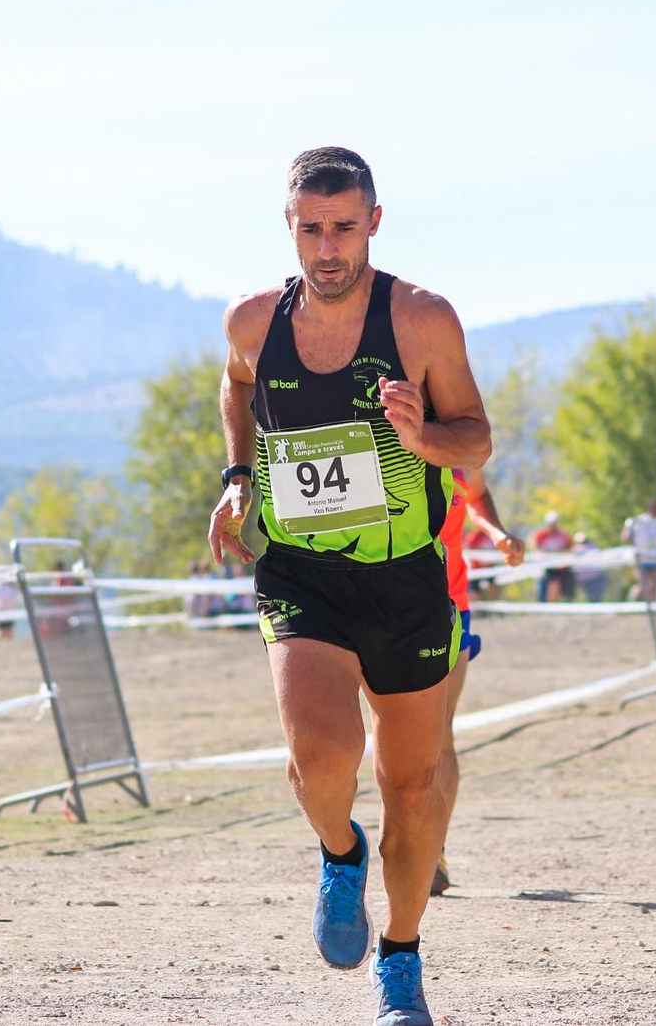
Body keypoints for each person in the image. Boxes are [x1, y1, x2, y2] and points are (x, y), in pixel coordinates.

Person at [206, 147, 492, 1026]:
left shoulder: (422, 320)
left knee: (411, 787)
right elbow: (237, 388)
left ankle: (400, 961)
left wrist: (425, 438)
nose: (327, 248)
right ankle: (339, 851)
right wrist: (238, 478)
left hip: (406, 575)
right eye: (310, 229)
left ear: (373, 221)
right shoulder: (254, 321)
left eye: (343, 227)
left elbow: (476, 441)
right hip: (303, 571)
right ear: (288, 227)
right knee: (320, 758)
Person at [431, 465, 522, 897]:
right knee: (398, 735)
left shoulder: (464, 446)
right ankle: (409, 837)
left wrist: (496, 533)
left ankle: (434, 849)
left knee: (439, 733)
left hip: (452, 605)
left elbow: (478, 496)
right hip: (391, 605)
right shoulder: (390, 429)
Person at [623, 499, 656, 603]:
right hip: (641, 560)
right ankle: (635, 597)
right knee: (644, 586)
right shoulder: (639, 520)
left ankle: (651, 614)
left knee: (654, 588)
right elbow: (625, 536)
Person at [532, 511, 575, 602]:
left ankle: (562, 605)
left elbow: (570, 547)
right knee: (544, 586)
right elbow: (535, 546)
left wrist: (562, 551)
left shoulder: (563, 535)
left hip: (560, 567)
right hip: (546, 566)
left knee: (560, 588)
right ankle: (542, 605)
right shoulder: (541, 535)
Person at [571, 532, 609, 603]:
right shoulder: (575, 549)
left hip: (595, 577)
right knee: (591, 598)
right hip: (584, 580)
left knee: (595, 598)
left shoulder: (592, 548)